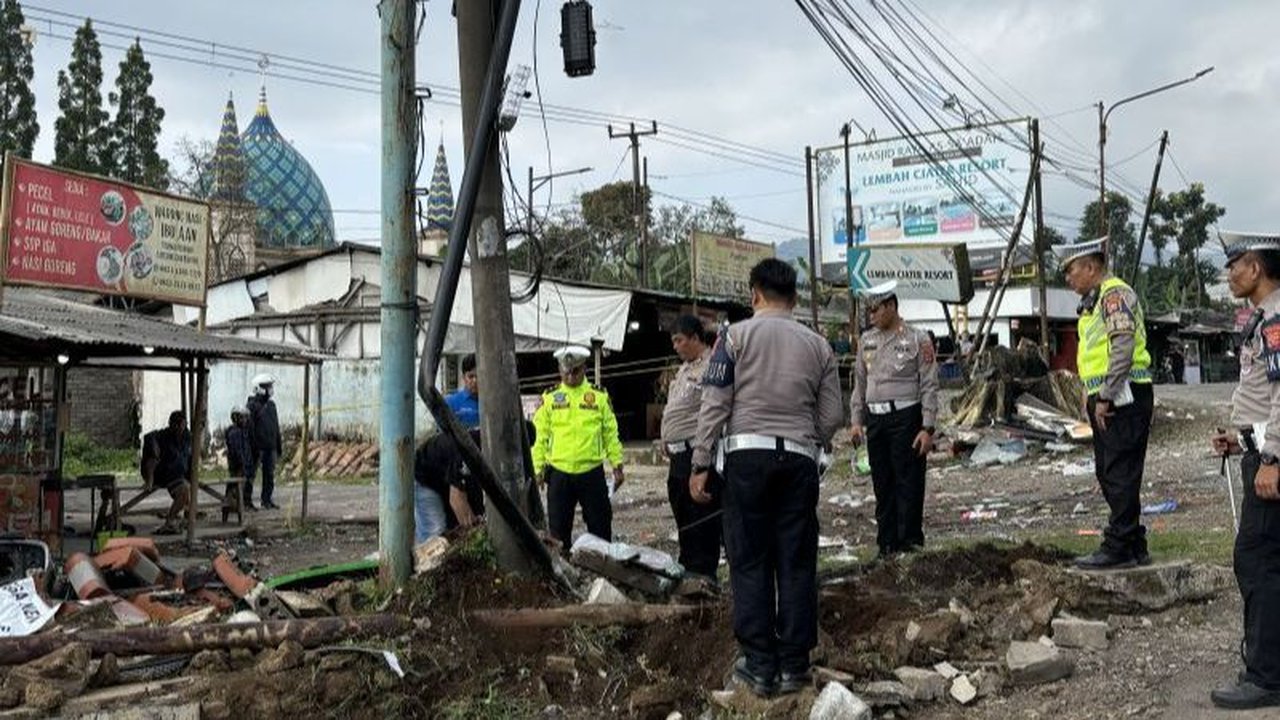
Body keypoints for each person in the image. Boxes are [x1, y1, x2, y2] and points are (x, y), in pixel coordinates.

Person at [690, 258, 843, 697]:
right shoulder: (820, 346)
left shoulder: (732, 337)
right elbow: (831, 415)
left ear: (754, 294)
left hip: (746, 462)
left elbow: (715, 405)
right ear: (794, 299)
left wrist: (701, 463)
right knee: (796, 560)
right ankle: (795, 666)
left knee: (749, 559)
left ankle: (758, 665)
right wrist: (802, 439)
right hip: (798, 461)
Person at [1208, 233, 1280, 710]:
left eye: (1234, 265)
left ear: (1254, 267)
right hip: (1261, 448)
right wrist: (1242, 439)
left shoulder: (1275, 322)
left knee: (1256, 559)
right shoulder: (1264, 319)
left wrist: (1272, 458)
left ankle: (1267, 676)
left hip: (1273, 462)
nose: (1229, 274)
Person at [1054, 237, 1154, 569]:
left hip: (1122, 395)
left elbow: (1122, 347)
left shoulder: (1113, 295)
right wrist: (1090, 392)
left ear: (1091, 267)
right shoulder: (1095, 301)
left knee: (1118, 471)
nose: (1068, 278)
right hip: (1110, 394)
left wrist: (1106, 394)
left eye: (1071, 270)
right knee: (1111, 469)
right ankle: (1134, 541)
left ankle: (1120, 545)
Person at [849, 280, 940, 560]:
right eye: (869, 310)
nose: (871, 315)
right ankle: (886, 545)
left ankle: (909, 542)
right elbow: (859, 384)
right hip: (876, 420)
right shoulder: (867, 340)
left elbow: (929, 384)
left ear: (891, 306)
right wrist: (856, 421)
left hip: (906, 417)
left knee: (908, 482)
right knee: (882, 483)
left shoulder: (917, 338)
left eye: (875, 309)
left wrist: (927, 427)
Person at [531, 345, 625, 547]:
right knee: (558, 531)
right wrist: (537, 469)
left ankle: (603, 571)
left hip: (591, 472)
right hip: (559, 474)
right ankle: (563, 571)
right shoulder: (549, 398)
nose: (570, 376)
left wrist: (617, 464)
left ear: (584, 369)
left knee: (600, 527)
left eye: (575, 371)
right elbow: (540, 437)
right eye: (566, 372)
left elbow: (610, 432)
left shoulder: (598, 397)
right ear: (559, 370)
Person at [660, 314, 721, 581]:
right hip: (677, 455)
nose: (675, 346)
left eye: (679, 340)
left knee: (700, 518)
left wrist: (702, 462)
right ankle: (689, 569)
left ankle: (703, 574)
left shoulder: (712, 367)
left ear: (695, 338)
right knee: (683, 515)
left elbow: (713, 413)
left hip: (696, 453)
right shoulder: (684, 369)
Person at [141, 411, 192, 535]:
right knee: (152, 457)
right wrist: (155, 448)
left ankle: (172, 520)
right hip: (163, 472)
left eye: (182, 425)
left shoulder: (187, 436)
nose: (180, 428)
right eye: (178, 425)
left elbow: (189, 456)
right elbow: (148, 437)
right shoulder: (164, 435)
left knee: (186, 492)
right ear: (172, 425)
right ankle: (150, 480)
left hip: (178, 474)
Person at [245, 374, 283, 510]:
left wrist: (278, 446)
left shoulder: (272, 405)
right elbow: (250, 428)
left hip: (270, 447)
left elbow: (276, 426)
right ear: (259, 388)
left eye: (270, 386)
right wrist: (253, 447)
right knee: (250, 475)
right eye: (267, 386)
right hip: (257, 448)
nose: (270, 389)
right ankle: (246, 501)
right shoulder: (252, 406)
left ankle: (266, 500)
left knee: (269, 475)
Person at [223, 407, 253, 523]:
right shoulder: (234, 433)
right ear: (235, 418)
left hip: (243, 466)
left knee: (238, 492)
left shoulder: (242, 432)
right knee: (234, 492)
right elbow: (237, 451)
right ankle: (232, 516)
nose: (245, 420)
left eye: (245, 417)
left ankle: (234, 515)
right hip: (238, 467)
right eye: (242, 417)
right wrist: (242, 464)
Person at [446, 354, 481, 429]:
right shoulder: (451, 403)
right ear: (464, 378)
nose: (475, 381)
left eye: (479, 376)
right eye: (471, 376)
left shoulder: (491, 403)